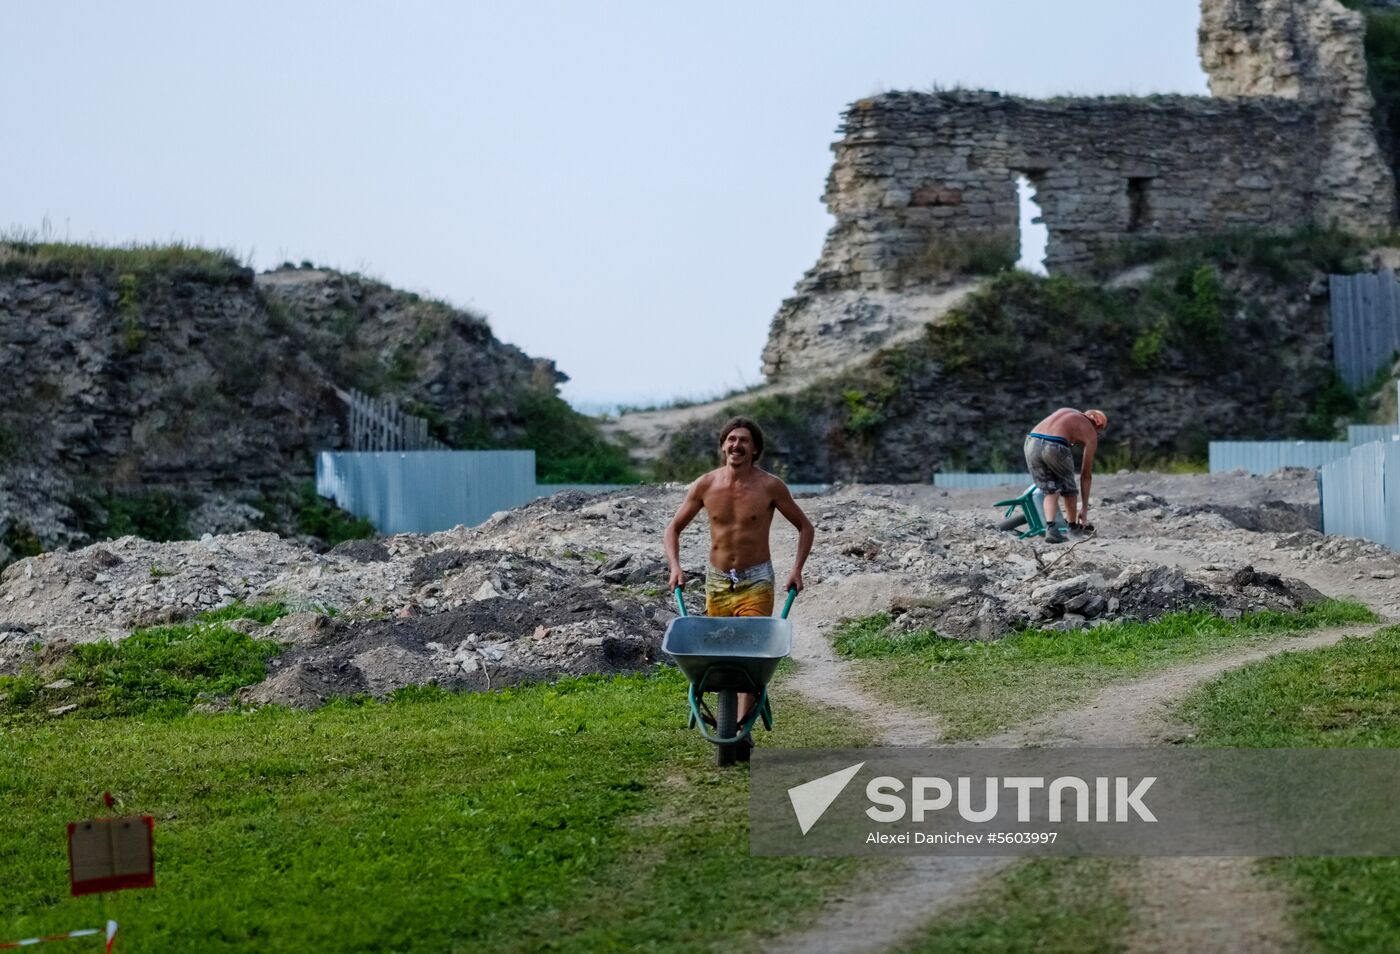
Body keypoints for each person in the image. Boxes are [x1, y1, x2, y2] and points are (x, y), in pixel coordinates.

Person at [663, 416, 815, 756]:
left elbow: (805, 527)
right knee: (720, 652)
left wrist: (797, 569)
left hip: (756, 579)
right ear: (722, 446)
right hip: (717, 581)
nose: (736, 445)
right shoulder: (705, 485)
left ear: (755, 449)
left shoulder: (770, 487)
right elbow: (673, 528)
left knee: (751, 653)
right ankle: (732, 719)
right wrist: (675, 567)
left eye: (744, 440)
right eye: (731, 439)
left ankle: (742, 729)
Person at [1023, 408, 1108, 544]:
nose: (1097, 434)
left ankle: (1052, 530)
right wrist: (1084, 509)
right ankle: (1073, 528)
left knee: (1050, 490)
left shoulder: (1067, 412)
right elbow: (1086, 475)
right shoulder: (1090, 430)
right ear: (1097, 423)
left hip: (1031, 443)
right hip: (1054, 445)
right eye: (1099, 431)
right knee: (1069, 490)